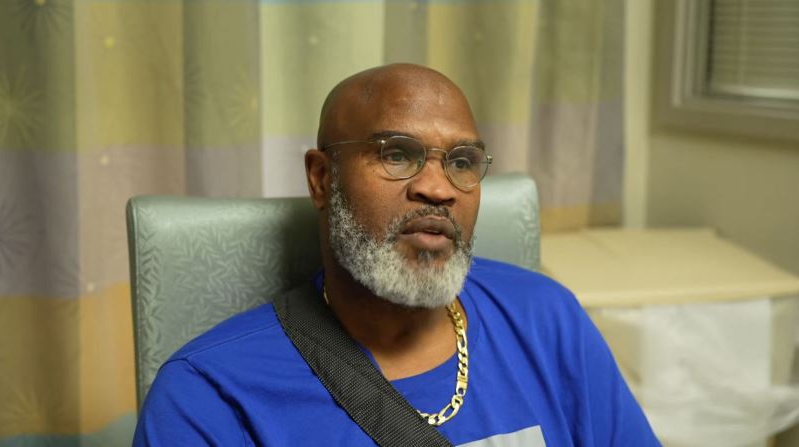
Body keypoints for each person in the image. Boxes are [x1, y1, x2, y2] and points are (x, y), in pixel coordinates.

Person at [133, 64, 660, 446]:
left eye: (462, 161)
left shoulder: (546, 317)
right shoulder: (209, 394)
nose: (439, 188)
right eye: (397, 154)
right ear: (322, 179)